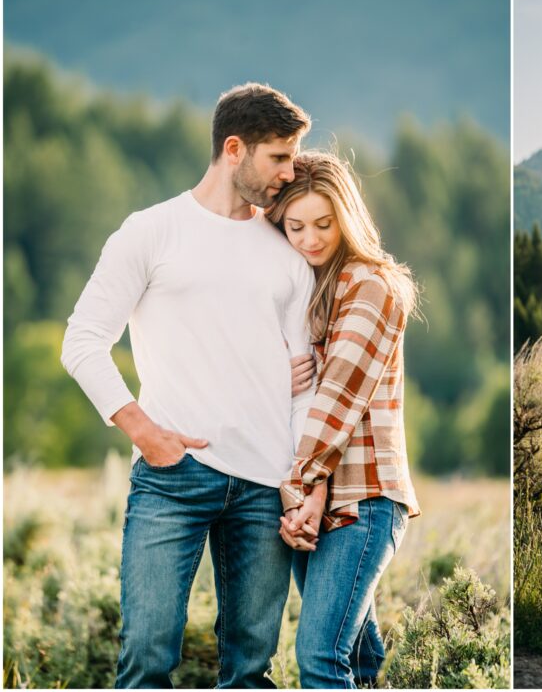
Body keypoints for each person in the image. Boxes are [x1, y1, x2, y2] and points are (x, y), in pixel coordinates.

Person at [62, 83, 315, 688]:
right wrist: (144, 432)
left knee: (250, 671)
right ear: (235, 149)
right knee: (147, 659)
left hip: (263, 486)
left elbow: (302, 384)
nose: (290, 171)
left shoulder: (288, 251)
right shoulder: (150, 233)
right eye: (279, 157)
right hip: (172, 478)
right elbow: (82, 341)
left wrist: (299, 481)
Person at [265, 151, 420, 689]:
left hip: (364, 497)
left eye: (324, 224)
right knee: (361, 659)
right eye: (296, 225)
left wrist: (301, 484)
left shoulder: (371, 284)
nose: (310, 238)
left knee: (319, 659)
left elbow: (338, 394)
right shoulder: (311, 291)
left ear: (347, 217)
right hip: (320, 499)